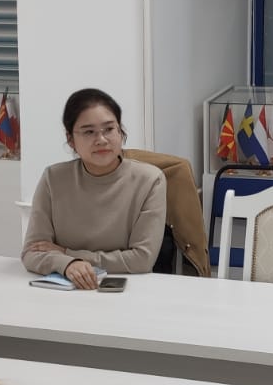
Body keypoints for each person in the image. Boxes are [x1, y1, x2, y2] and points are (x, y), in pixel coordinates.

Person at [22, 89, 166, 290]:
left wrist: (68, 255)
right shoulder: (53, 179)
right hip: (65, 291)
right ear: (70, 139)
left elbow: (141, 259)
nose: (101, 140)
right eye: (89, 132)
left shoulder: (150, 180)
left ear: (120, 131)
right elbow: (32, 251)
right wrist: (68, 265)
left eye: (109, 129)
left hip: (128, 290)